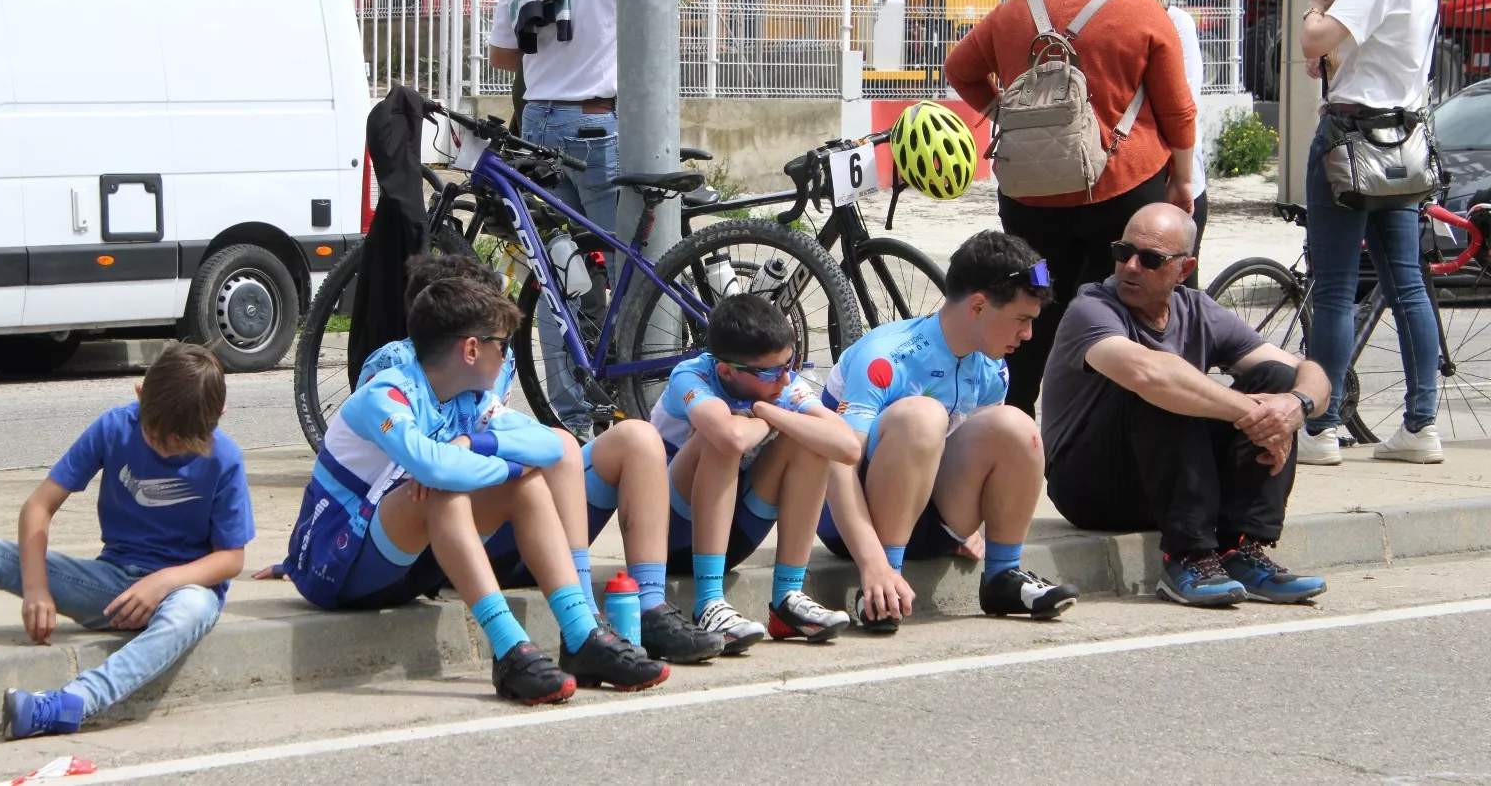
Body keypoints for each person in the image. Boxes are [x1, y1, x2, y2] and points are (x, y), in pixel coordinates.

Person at [280, 273, 669, 704]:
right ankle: (509, 651)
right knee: (445, 491)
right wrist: (505, 469)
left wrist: (480, 445)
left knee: (528, 486)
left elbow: (553, 446)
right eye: (502, 347)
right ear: (470, 349)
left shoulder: (470, 397)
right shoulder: (386, 394)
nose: (506, 359)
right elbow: (435, 468)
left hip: (407, 561)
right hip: (338, 565)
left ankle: (581, 637)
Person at [346, 253, 723, 665]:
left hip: (512, 511)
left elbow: (527, 437)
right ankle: (582, 621)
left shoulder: (498, 354)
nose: (505, 335)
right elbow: (386, 470)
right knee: (527, 470)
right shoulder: (395, 366)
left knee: (637, 437)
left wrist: (482, 445)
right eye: (494, 326)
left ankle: (646, 606)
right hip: (454, 523)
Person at [0, 344, 253, 739]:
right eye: (155, 436)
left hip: (183, 592)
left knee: (194, 609)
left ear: (218, 418)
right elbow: (38, 507)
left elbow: (231, 558)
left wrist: (164, 582)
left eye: (181, 443)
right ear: (139, 395)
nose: (167, 447)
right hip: (111, 586)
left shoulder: (225, 458)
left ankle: (72, 702)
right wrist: (36, 588)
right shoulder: (113, 428)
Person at [945, 0, 1197, 417]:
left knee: (1029, 308)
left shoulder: (1014, 13)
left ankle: (1009, 428)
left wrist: (1007, 115)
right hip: (1123, 188)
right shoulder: (1143, 14)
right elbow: (1178, 110)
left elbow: (960, 69)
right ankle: (1115, 424)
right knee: (1125, 308)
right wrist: (1183, 181)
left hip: (1030, 198)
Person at [1040, 203, 1333, 607]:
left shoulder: (1197, 309)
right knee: (1165, 383)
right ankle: (1187, 556)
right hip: (1090, 486)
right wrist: (1253, 413)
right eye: (1123, 252)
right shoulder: (1091, 308)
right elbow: (1149, 374)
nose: (1130, 267)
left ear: (1184, 268)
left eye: (1150, 259)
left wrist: (1294, 407)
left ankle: (1240, 549)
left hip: (1167, 476)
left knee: (1277, 381)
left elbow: (1306, 372)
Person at [818, 232, 1080, 632]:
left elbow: (986, 454)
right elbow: (837, 468)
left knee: (1017, 427)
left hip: (929, 518)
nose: (1027, 335)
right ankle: (884, 583)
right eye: (1022, 320)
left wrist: (971, 526)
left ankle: (1002, 577)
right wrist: (872, 565)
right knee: (924, 416)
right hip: (850, 524)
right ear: (978, 305)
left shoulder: (992, 367)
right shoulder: (884, 357)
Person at [1298, 0, 1456, 466]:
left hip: (1349, 141)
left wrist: (1316, 2)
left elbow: (1315, 40)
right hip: (1402, 143)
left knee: (1335, 288)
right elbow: (1360, 56)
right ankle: (1421, 424)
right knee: (1408, 283)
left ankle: (1322, 425)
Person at [489, 0, 620, 438]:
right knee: (632, 270)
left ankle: (571, 418)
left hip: (539, 127)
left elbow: (501, 56)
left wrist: (555, 63)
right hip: (602, 124)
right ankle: (632, 402)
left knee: (556, 275)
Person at [653, 294, 860, 652]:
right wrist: (750, 420)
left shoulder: (779, 385)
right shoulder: (691, 375)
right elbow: (730, 437)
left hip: (732, 531)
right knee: (718, 438)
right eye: (770, 372)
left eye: (788, 364)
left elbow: (847, 447)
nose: (783, 379)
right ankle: (708, 602)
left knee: (808, 441)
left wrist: (765, 411)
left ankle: (787, 598)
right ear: (727, 371)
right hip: (669, 533)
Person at [1114, 0, 1209, 288]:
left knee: (1176, 301)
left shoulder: (1175, 22)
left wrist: (1181, 179)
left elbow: (1183, 108)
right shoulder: (1089, 24)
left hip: (1174, 182)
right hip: (1119, 185)